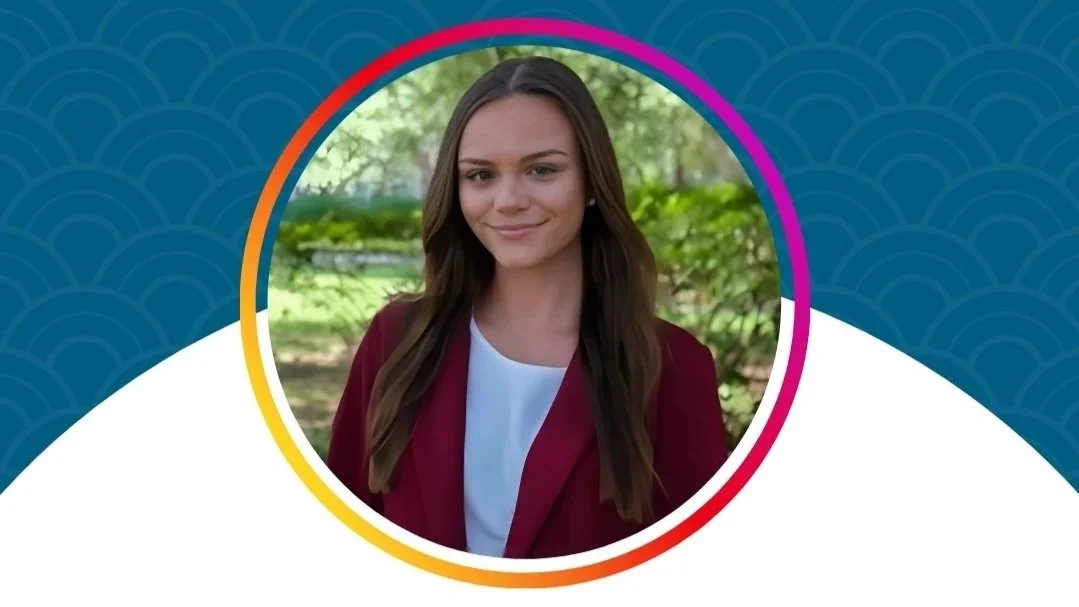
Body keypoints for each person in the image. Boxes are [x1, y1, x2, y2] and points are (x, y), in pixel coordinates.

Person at [326, 55, 729, 559]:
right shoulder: (397, 339)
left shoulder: (673, 366)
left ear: (590, 185)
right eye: (480, 176)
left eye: (542, 169)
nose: (508, 199)